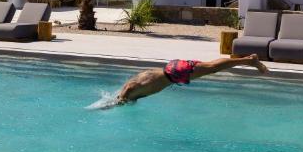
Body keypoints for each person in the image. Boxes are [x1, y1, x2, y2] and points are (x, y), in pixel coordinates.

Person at [106, 54, 268, 107]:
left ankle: (249, 60)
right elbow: (131, 85)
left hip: (175, 74)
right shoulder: (133, 86)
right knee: (210, 66)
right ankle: (247, 60)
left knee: (212, 67)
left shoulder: (130, 91)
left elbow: (128, 90)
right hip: (172, 67)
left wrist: (113, 105)